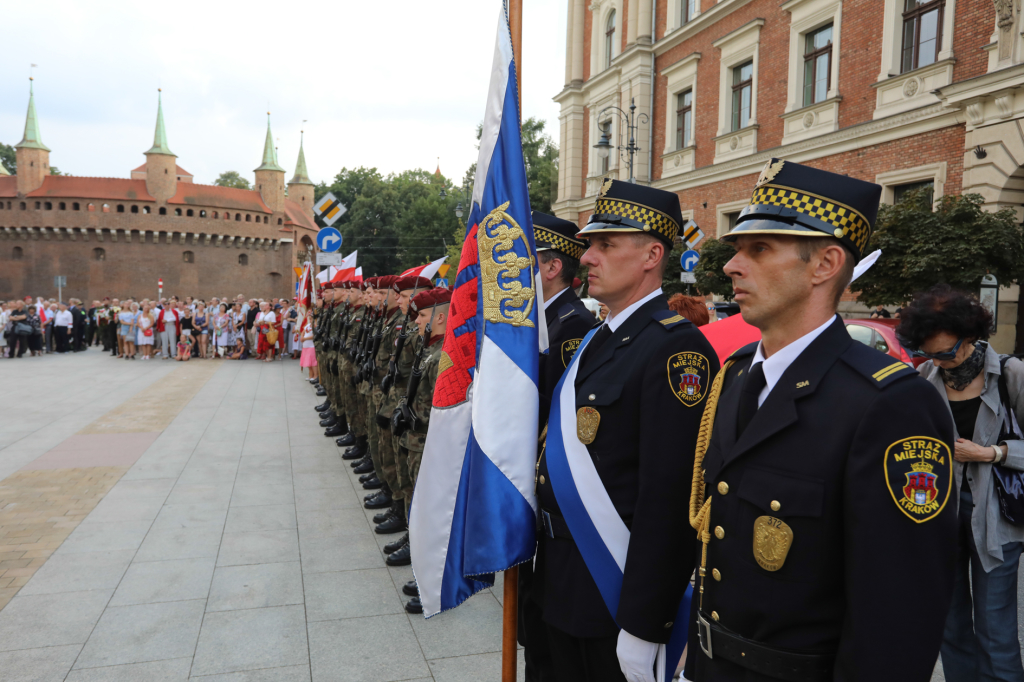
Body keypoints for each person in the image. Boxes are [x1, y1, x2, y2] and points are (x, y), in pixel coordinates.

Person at [683, 159, 957, 681]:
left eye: (758, 249)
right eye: (738, 249)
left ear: (825, 263)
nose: (732, 266)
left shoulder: (889, 404)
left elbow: (898, 614)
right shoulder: (738, 377)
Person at [533, 180, 719, 682]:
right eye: (590, 244)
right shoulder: (599, 339)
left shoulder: (676, 350)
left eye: (605, 244)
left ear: (651, 255)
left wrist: (644, 624)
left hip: (611, 592)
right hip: (559, 577)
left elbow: (669, 499)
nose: (587, 257)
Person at [896, 285, 1024, 682]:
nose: (941, 362)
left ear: (970, 337)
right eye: (930, 353)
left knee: (995, 628)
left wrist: (993, 454)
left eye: (947, 352)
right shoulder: (924, 376)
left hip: (996, 517)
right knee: (949, 624)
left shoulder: (1010, 374)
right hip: (938, 513)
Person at [393, 286, 451, 614]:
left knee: (433, 512)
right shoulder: (429, 348)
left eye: (424, 315)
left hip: (429, 444)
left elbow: (446, 408)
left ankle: (437, 581)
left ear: (440, 316)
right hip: (418, 443)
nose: (417, 321)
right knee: (420, 506)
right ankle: (426, 572)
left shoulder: (445, 353)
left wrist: (414, 416)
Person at [300, 311, 318, 382]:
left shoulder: (315, 326)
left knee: (313, 361)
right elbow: (303, 332)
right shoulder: (308, 325)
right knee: (308, 361)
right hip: (305, 346)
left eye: (311, 319)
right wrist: (302, 337)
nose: (310, 320)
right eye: (309, 319)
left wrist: (305, 338)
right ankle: (310, 375)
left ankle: (315, 375)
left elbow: (314, 336)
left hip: (311, 345)